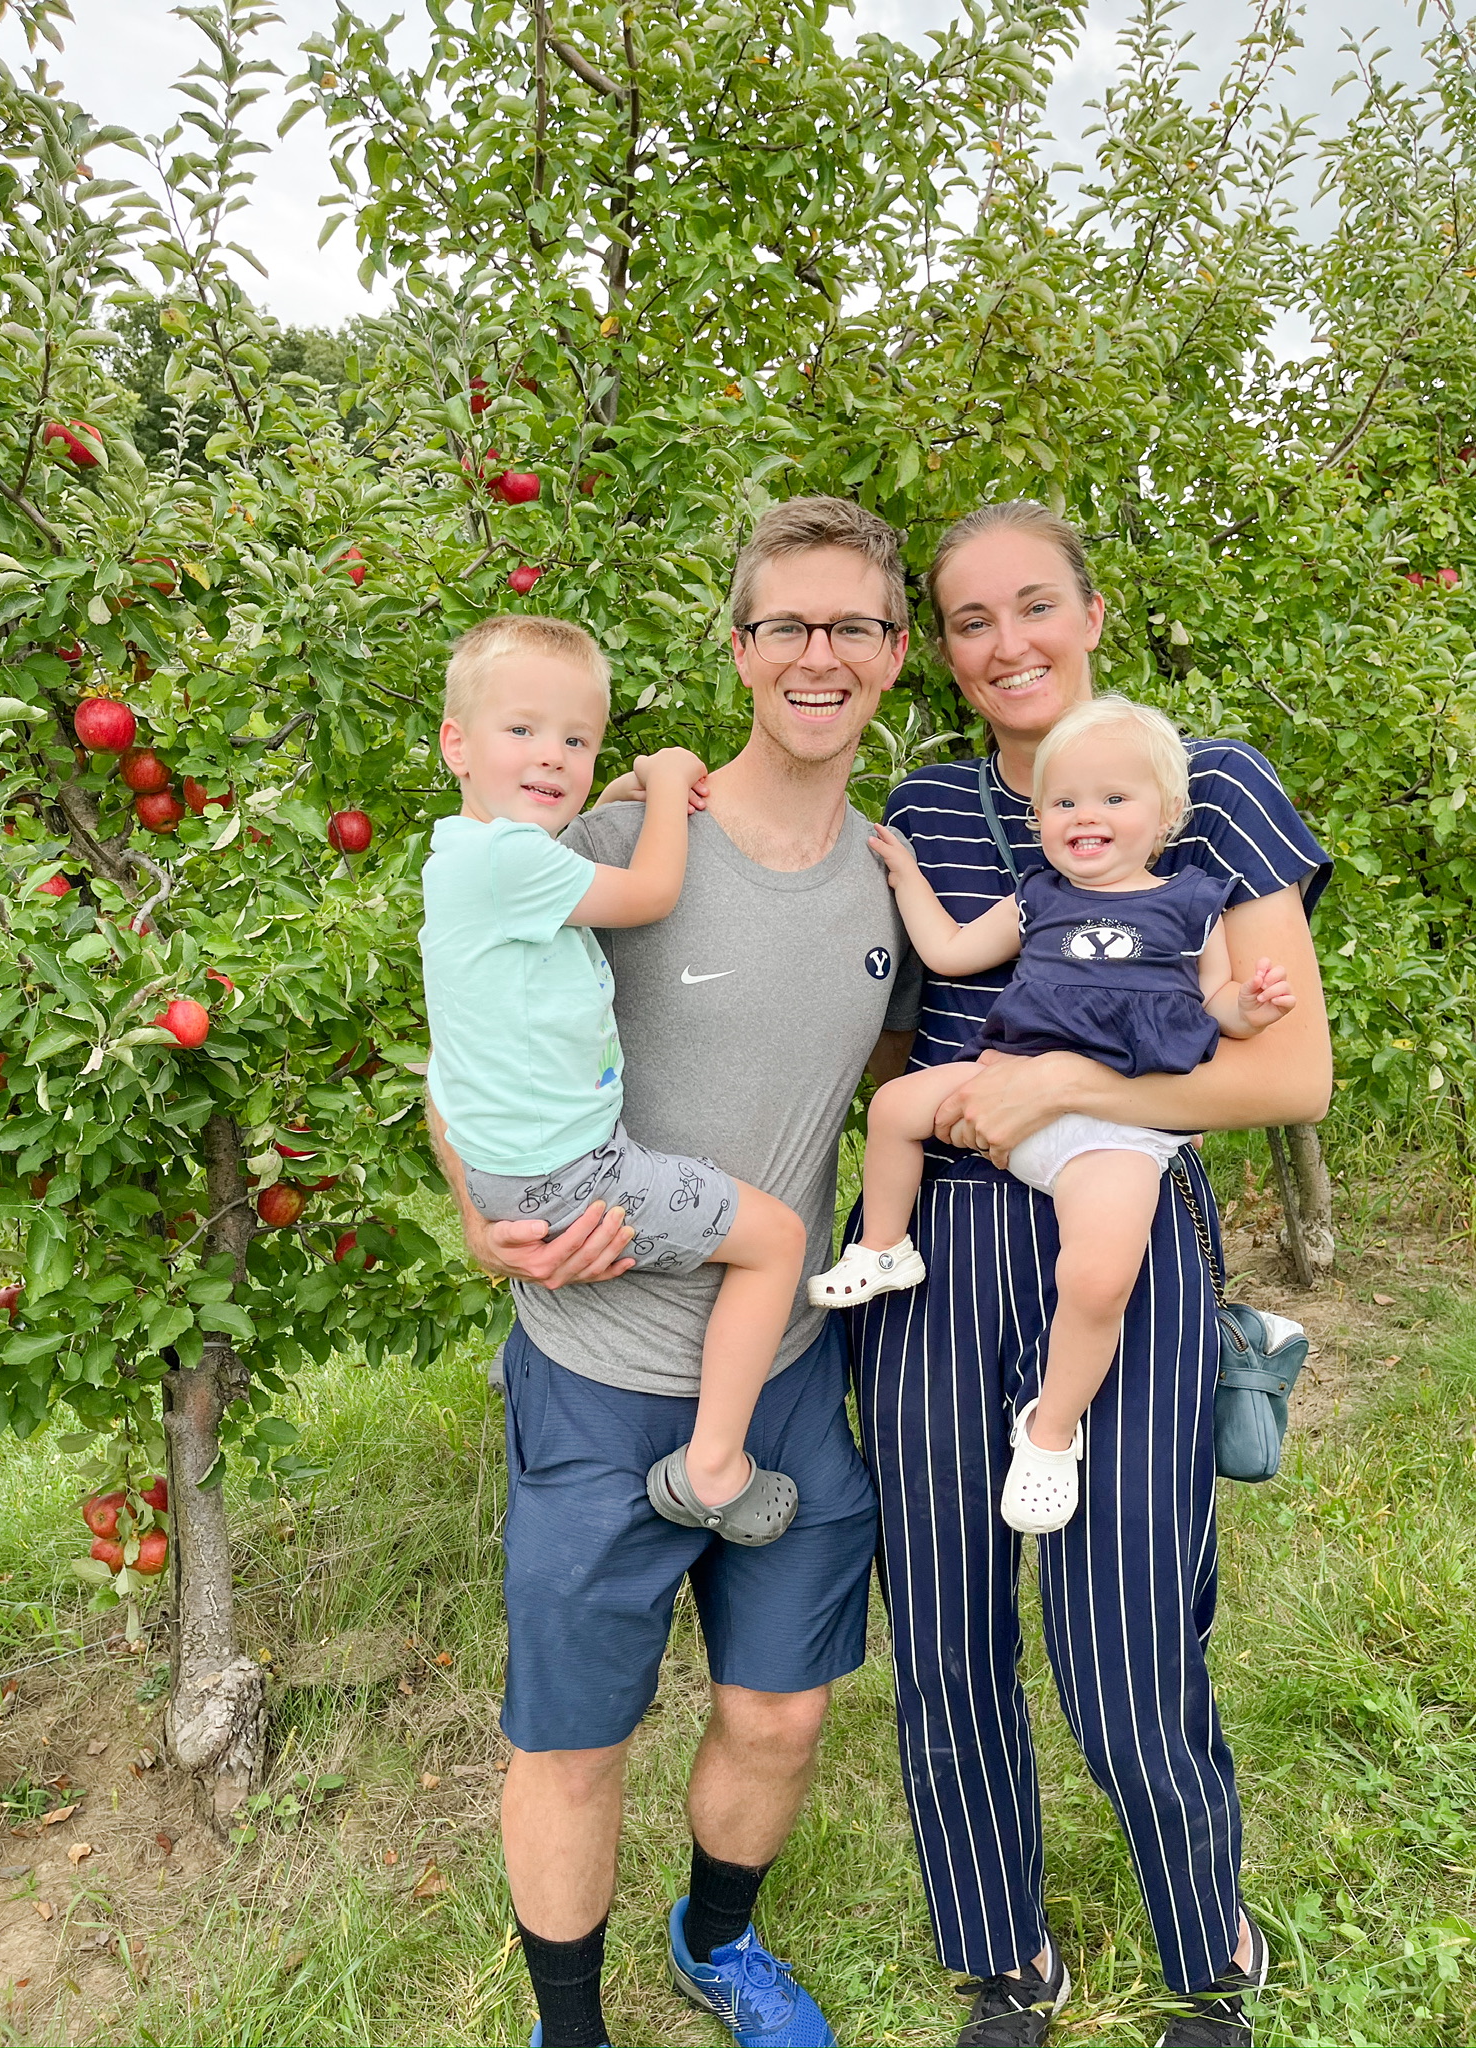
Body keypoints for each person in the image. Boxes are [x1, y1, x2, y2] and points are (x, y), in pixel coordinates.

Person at [425, 498, 912, 2048]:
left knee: (780, 1711)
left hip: (780, 1377)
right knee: (573, 1740)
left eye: (854, 626)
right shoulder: (626, 835)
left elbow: (897, 1080)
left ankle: (719, 1944)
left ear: (897, 655)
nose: (818, 655)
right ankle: (570, 2027)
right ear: (741, 646)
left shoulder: (893, 886)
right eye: (788, 625)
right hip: (594, 1370)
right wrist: (468, 1211)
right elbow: (464, 1051)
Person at [853, 500, 1331, 2048]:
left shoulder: (1208, 790)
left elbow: (1287, 1076)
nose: (1009, 645)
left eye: (1035, 606)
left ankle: (1212, 1943)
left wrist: (1065, 1093)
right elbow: (892, 1027)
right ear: (942, 647)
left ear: (1093, 611)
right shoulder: (928, 805)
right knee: (945, 1627)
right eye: (972, 621)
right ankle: (1006, 1956)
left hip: (1110, 1227)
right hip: (939, 1254)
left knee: (1127, 1625)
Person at [811, 695, 1296, 1533]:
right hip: (1009, 1082)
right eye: (1065, 801)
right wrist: (908, 877)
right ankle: (885, 1248)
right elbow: (950, 952)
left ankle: (1050, 1430)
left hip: (1119, 1124)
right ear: (1038, 819)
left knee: (1099, 1279)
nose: (1088, 817)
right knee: (895, 1107)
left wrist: (1253, 1007)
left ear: (1167, 814)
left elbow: (1217, 1009)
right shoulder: (1037, 898)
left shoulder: (1192, 905)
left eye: (1114, 799)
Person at [420, 613, 807, 1546]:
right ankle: (713, 1466)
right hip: (574, 1175)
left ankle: (534, 1368)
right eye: (523, 731)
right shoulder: (517, 860)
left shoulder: (459, 859)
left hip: (515, 1166)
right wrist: (670, 782)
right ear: (456, 745)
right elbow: (650, 895)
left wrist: (631, 782)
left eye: (578, 740)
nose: (552, 756)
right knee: (778, 1241)